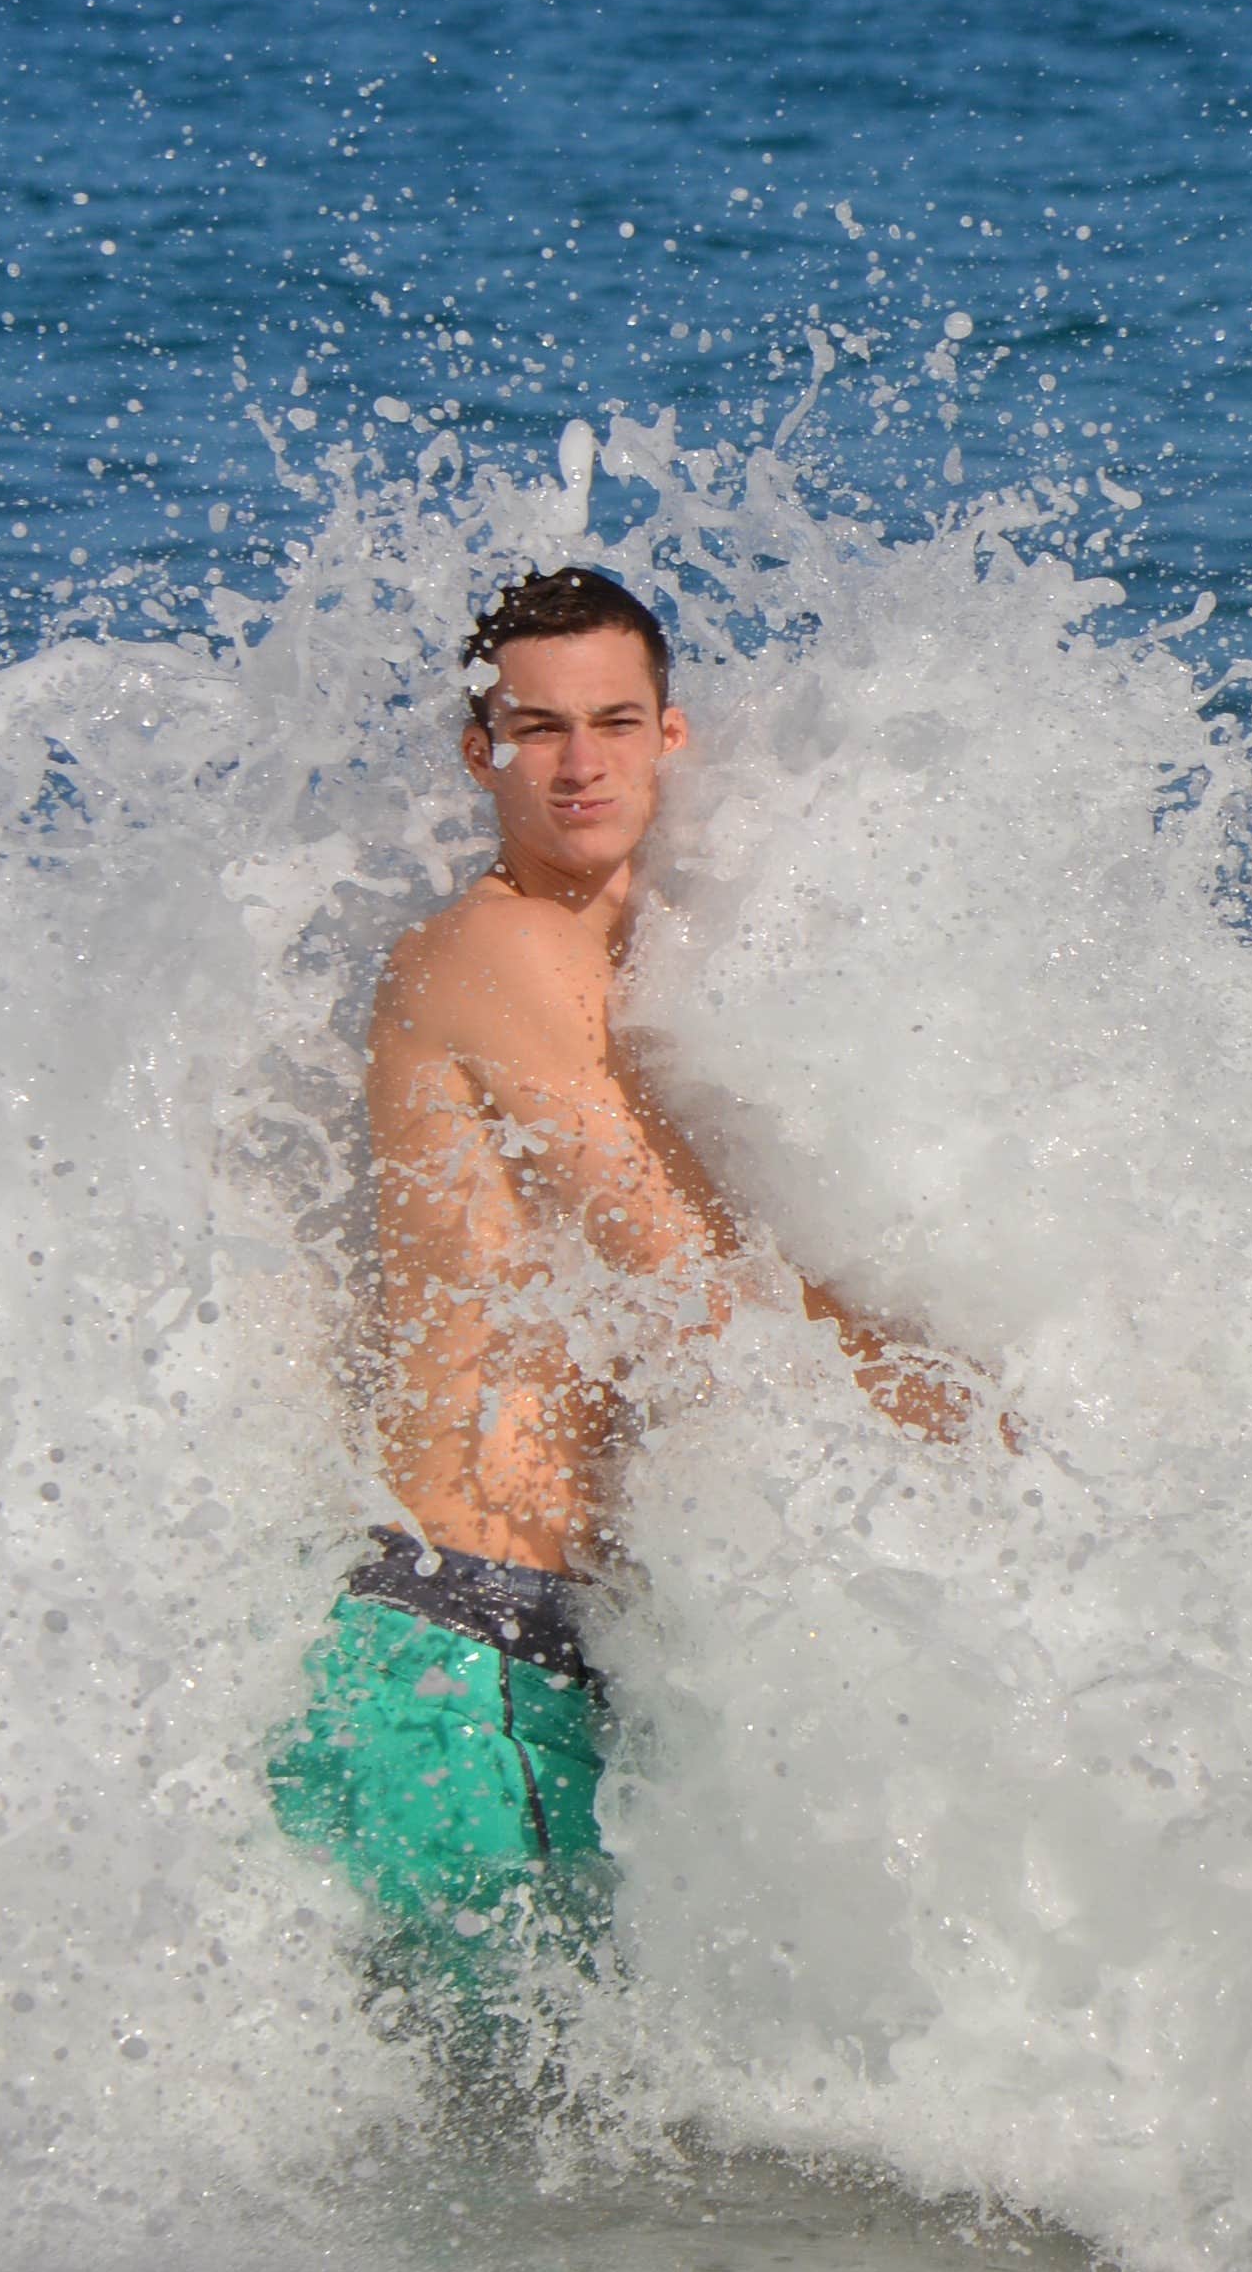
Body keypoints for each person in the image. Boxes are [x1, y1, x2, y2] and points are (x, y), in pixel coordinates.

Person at [270, 561, 981, 1957]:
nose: (579, 764)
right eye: (538, 730)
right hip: (455, 1655)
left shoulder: (645, 973)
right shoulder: (490, 950)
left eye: (612, 722)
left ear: (673, 736)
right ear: (482, 752)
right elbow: (677, 1270)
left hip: (535, 1658)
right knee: (504, 2149)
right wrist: (954, 1415)